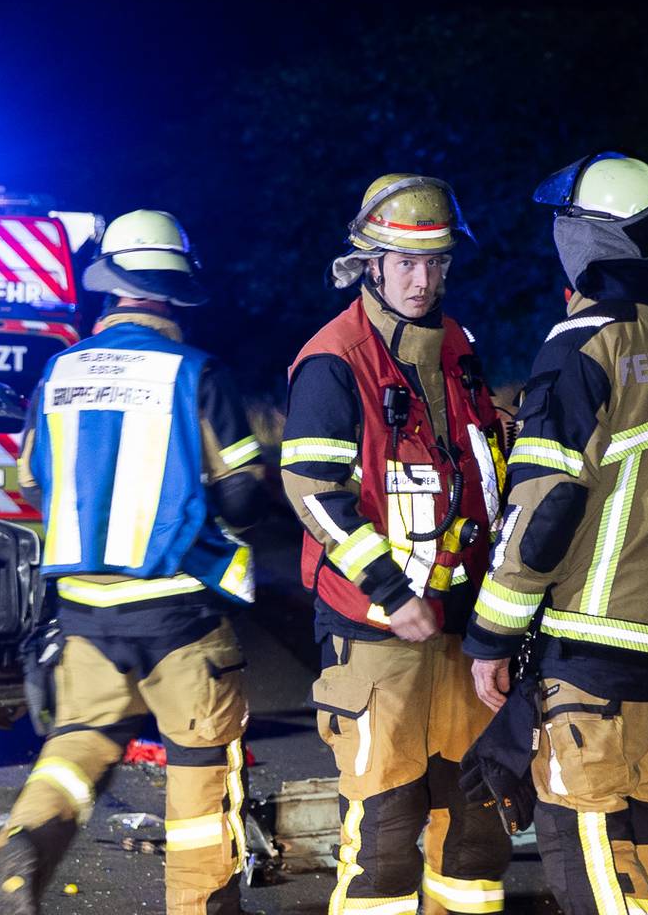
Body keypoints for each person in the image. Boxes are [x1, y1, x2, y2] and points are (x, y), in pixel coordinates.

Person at [463, 155, 648, 915]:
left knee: (590, 864)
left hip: (591, 658)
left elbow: (545, 508)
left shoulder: (584, 345)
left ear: (593, 241)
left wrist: (492, 637)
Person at [0, 210, 267, 915]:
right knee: (202, 766)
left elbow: (25, 480)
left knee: (80, 740)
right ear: (176, 293)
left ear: (111, 289)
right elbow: (241, 497)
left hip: (86, 607)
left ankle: (28, 838)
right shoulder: (198, 372)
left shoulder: (57, 372)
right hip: (179, 610)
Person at [282, 175, 511, 915]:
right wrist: (391, 591)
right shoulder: (333, 361)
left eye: (436, 263)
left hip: (462, 627)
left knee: (477, 826)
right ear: (370, 263)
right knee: (387, 831)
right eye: (405, 263)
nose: (422, 280)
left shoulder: (459, 350)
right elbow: (312, 491)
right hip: (377, 633)